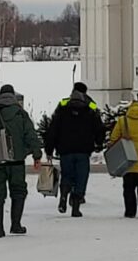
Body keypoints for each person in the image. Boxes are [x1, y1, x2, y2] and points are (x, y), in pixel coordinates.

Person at [0, 84, 42, 238]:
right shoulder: (20, 114)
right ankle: (16, 225)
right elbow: (31, 135)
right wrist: (37, 155)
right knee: (18, 191)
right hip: (16, 161)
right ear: (13, 96)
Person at [44, 83, 105, 217]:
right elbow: (99, 127)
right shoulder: (91, 106)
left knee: (67, 175)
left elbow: (53, 129)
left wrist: (49, 148)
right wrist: (99, 143)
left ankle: (64, 196)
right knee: (81, 177)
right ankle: (76, 206)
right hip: (83, 150)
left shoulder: (63, 105)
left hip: (65, 150)